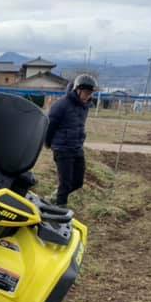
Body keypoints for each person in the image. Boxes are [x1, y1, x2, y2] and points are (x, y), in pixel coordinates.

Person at [44, 74, 96, 207]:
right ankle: (59, 210)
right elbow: (50, 125)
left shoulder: (85, 106)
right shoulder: (61, 105)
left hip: (77, 148)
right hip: (62, 148)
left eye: (89, 93)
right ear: (77, 90)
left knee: (78, 182)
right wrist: (48, 142)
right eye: (85, 93)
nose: (87, 96)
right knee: (65, 183)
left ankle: (54, 197)